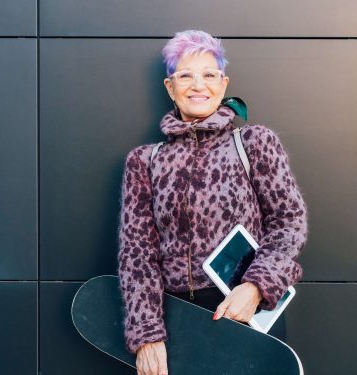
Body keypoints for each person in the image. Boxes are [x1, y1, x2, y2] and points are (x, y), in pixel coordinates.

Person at [117, 30, 309, 375]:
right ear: (170, 87)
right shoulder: (144, 161)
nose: (198, 85)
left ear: (223, 84)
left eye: (208, 74)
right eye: (185, 75)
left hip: (245, 311)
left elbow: (289, 221)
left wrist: (256, 287)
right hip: (176, 324)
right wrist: (147, 335)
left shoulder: (253, 142)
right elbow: (137, 254)